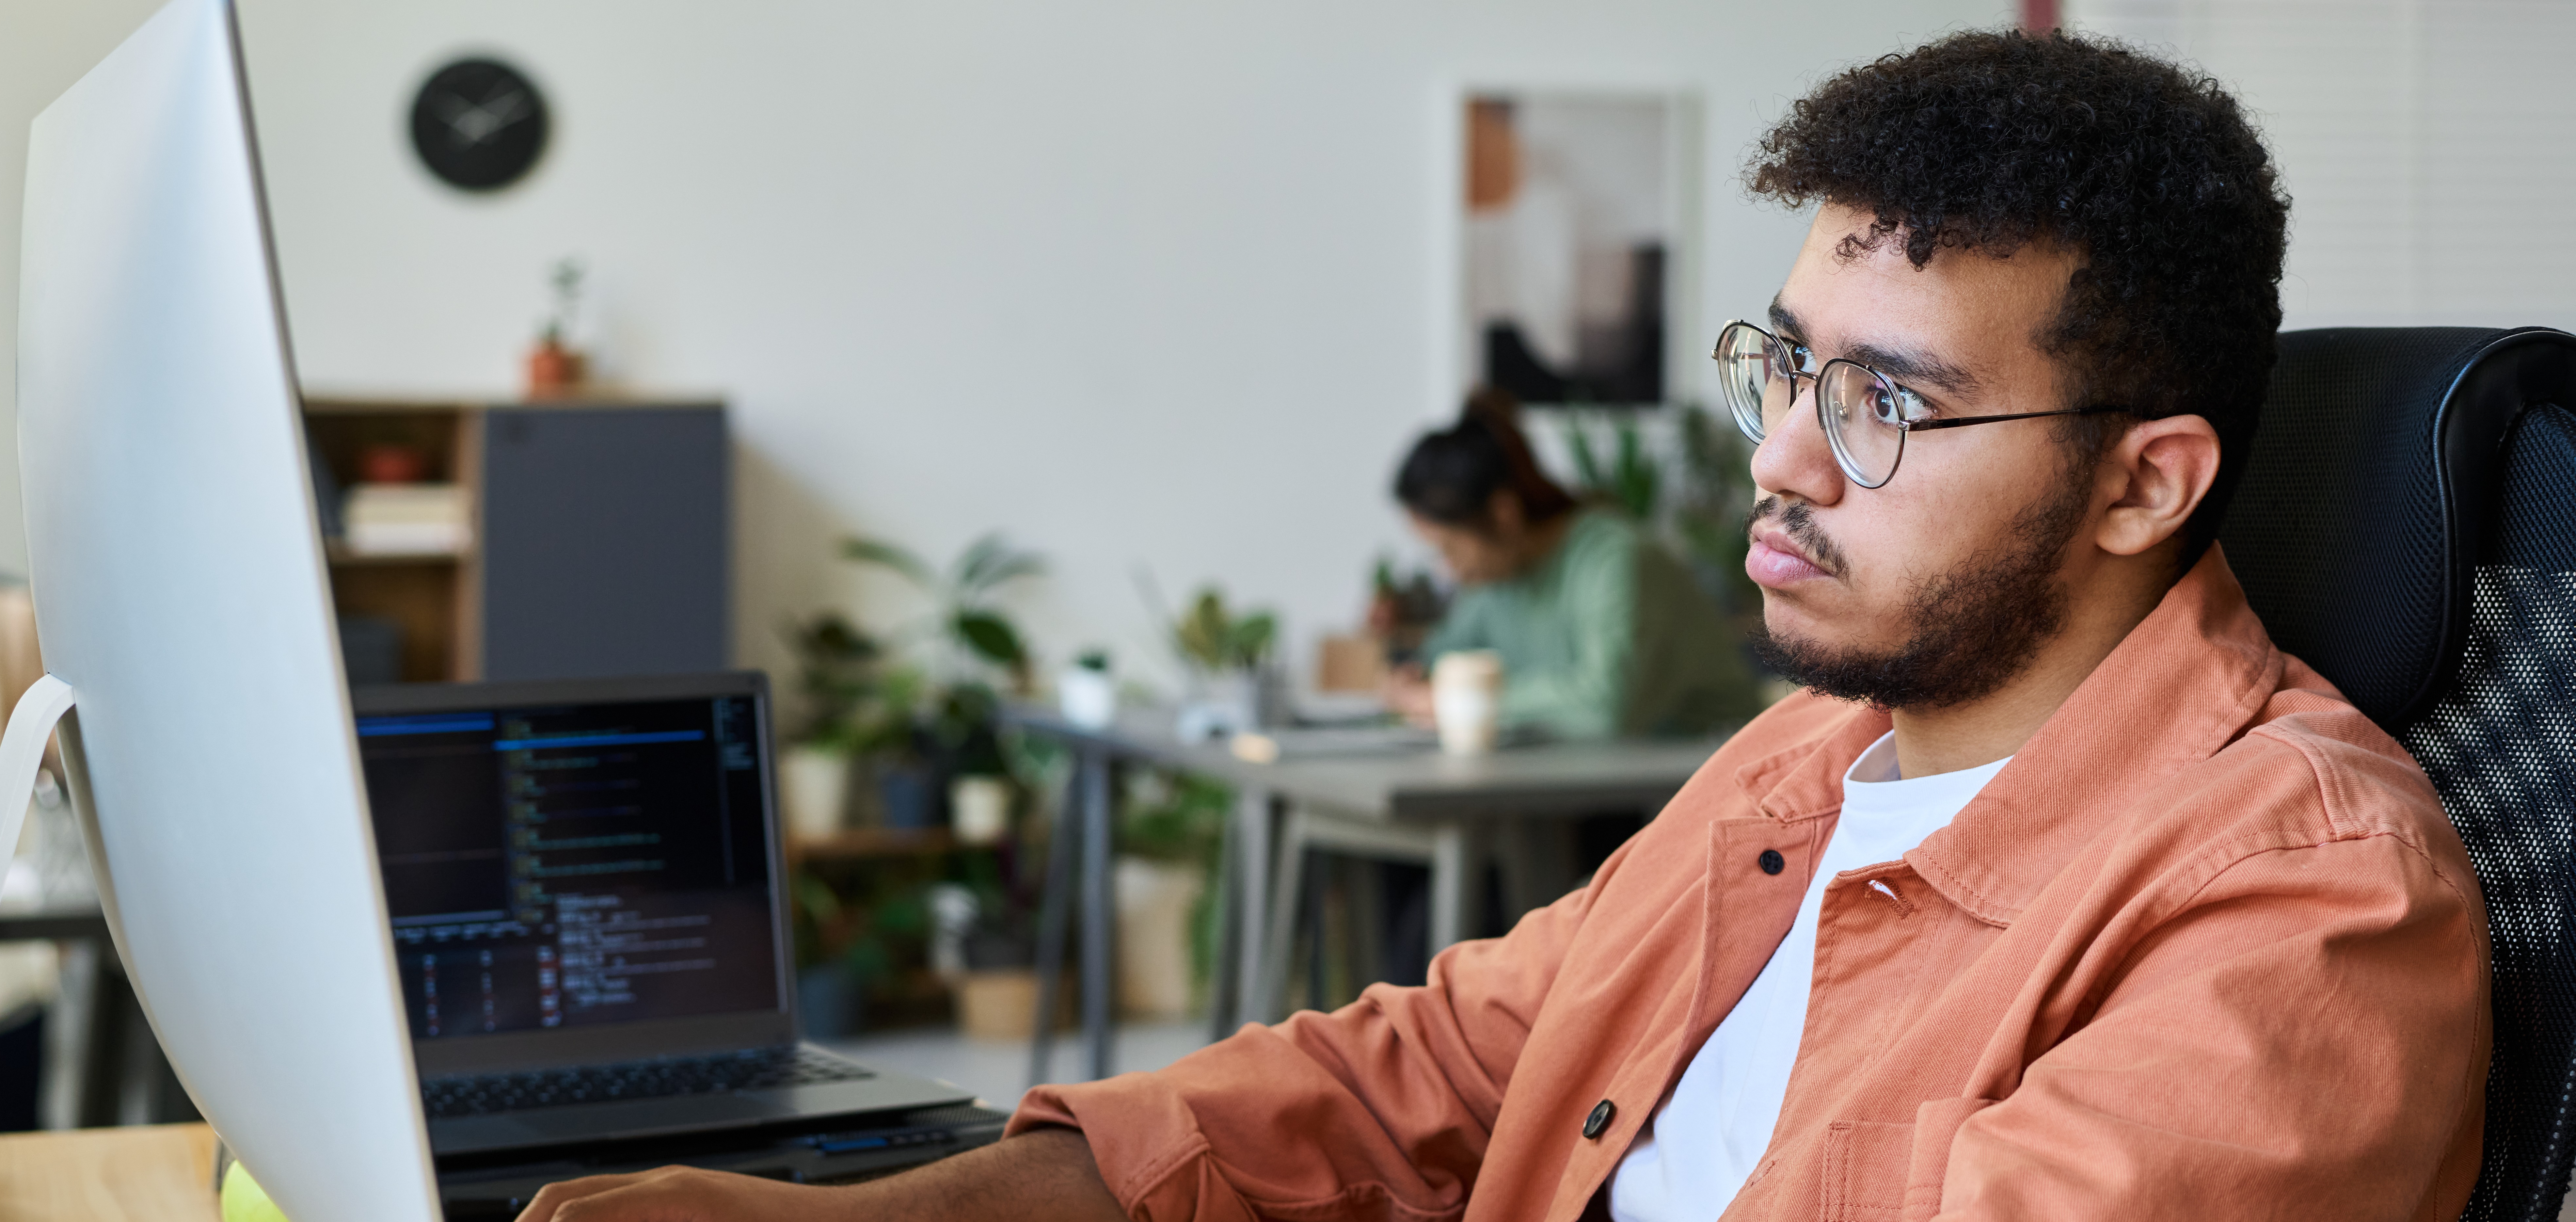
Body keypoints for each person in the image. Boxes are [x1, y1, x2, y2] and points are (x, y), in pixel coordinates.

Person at [518, 29, 2488, 1222]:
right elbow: (1431, 1067)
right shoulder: (1807, 757)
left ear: (2144, 482)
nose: (1781, 462)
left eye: (1886, 400)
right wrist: (865, 1209)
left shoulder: (2302, 901)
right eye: (1783, 366)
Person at [1382, 391, 1763, 740]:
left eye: (1449, 549)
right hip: (1599, 791)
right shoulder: (1495, 580)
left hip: (1708, 776)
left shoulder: (1618, 559)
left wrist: (1462, 703)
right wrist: (1412, 681)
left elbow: (1606, 706)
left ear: (1503, 515)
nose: (1447, 570)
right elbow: (1440, 657)